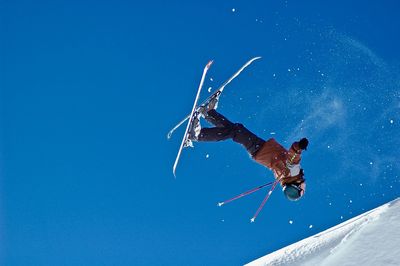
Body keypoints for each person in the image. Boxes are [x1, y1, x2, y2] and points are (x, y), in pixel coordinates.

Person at [188, 99, 308, 201]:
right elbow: (291, 159)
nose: (304, 187)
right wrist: (297, 150)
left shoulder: (293, 173)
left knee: (235, 131)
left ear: (298, 185)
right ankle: (209, 113)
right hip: (261, 150)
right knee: (236, 129)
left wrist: (299, 148)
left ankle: (198, 135)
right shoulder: (286, 178)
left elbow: (293, 158)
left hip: (261, 149)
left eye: (302, 190)